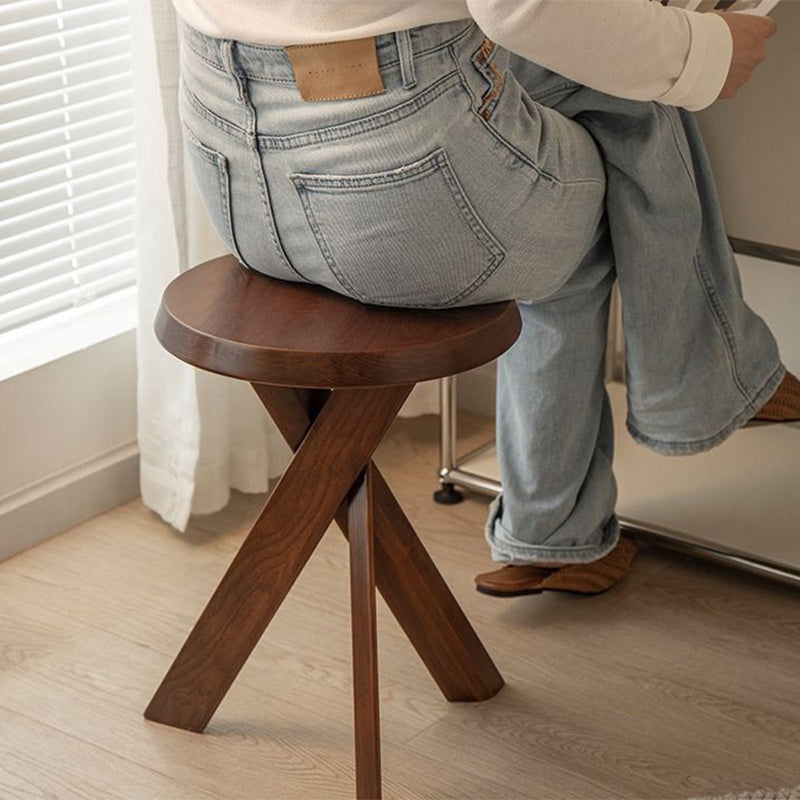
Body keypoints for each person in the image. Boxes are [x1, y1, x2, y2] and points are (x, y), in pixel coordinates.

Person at [169, 0, 800, 597]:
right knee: (634, 105)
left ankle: (569, 518)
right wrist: (702, 54)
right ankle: (701, 385)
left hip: (241, 196)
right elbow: (526, 9)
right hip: (393, 207)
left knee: (579, 96)